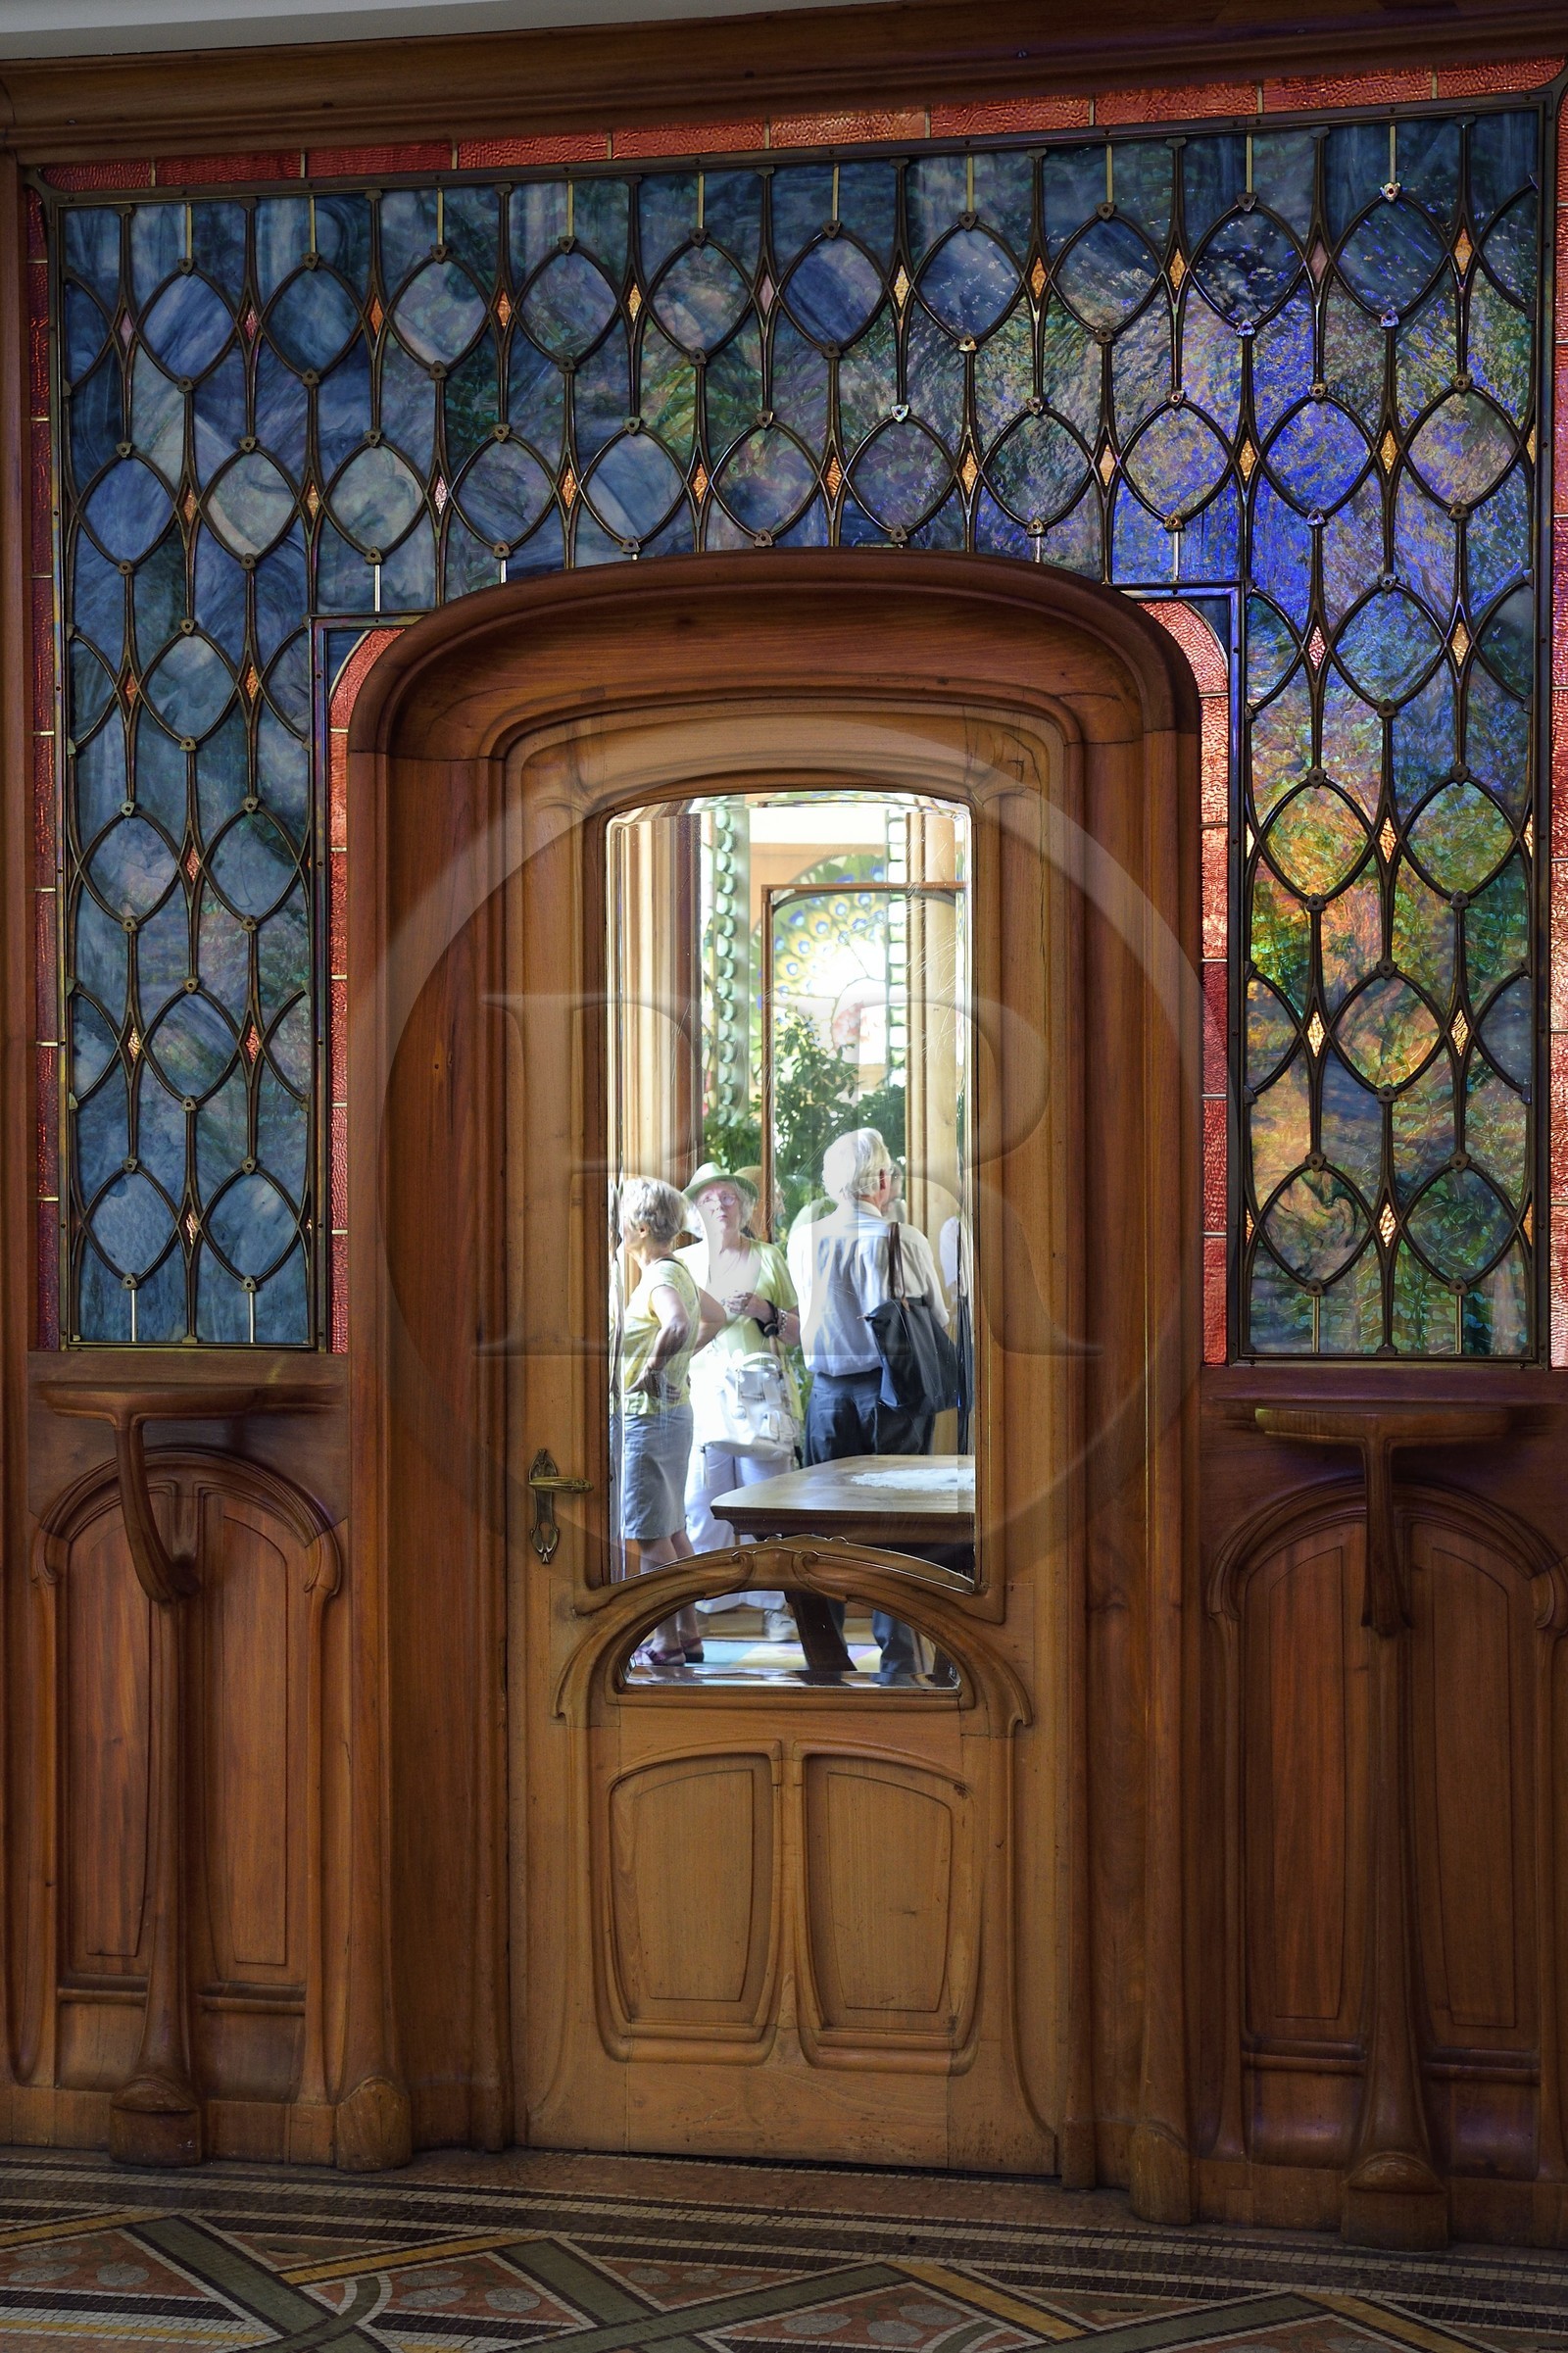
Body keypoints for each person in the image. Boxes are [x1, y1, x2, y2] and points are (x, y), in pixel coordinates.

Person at [797, 1127, 949, 1679]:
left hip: (828, 1397)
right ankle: (901, 1664)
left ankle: (826, 1660)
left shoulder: (805, 1237)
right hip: (892, 1395)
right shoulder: (901, 1238)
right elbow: (939, 1318)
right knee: (897, 1530)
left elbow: (809, 1314)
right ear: (882, 1179)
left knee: (821, 1530)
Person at [678, 1163, 801, 1643]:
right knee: (700, 1505)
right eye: (708, 1199)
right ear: (695, 1210)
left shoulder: (769, 1257)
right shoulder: (681, 1264)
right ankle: (705, 1604)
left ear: (744, 1207)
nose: (719, 1206)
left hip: (759, 1406)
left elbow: (796, 1335)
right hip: (700, 1400)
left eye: (728, 1198)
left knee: (765, 1506)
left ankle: (777, 1608)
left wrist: (763, 1311)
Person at [612, 1176, 721, 1666]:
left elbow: (679, 1323)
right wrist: (677, 1365)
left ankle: (663, 1641)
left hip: (648, 1420)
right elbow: (714, 1317)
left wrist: (654, 1370)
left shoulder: (658, 1277)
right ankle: (688, 1636)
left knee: (649, 1535)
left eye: (621, 1221)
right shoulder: (674, 1270)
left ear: (638, 1227)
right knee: (673, 1529)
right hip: (672, 1417)